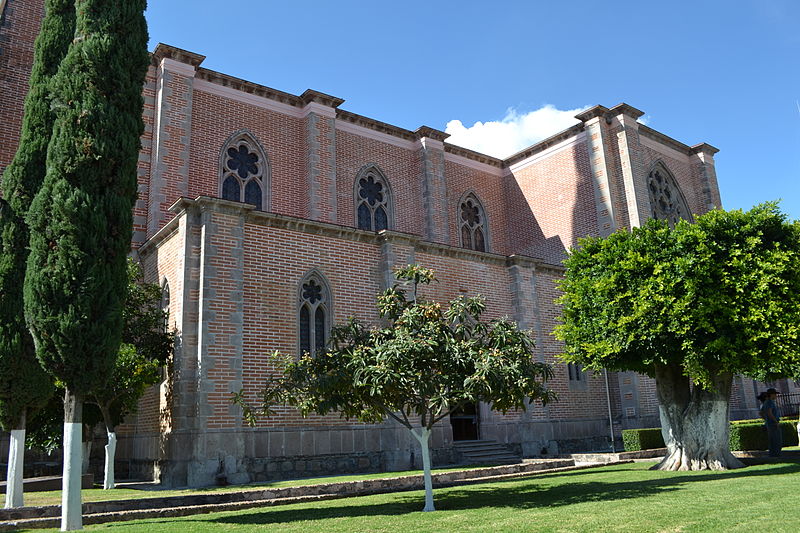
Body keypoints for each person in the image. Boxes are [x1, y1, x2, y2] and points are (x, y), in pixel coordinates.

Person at [762, 388, 782, 457]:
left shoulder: (766, 402)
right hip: (773, 424)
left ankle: (773, 455)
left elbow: (761, 413)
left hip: (770, 423)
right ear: (771, 395)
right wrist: (775, 421)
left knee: (772, 440)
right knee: (776, 440)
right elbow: (769, 412)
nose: (776, 396)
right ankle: (776, 455)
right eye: (775, 394)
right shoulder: (770, 402)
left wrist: (766, 419)